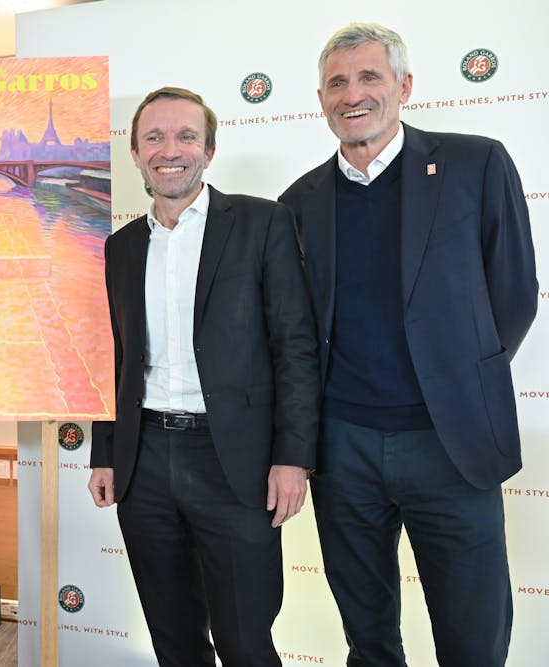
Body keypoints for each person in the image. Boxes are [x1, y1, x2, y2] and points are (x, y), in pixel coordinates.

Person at [279, 23, 538, 666]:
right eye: (337, 83)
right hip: (343, 452)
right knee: (368, 639)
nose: (353, 94)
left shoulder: (476, 164)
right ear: (320, 99)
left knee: (473, 637)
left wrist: (455, 382)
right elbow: (296, 332)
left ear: (404, 86)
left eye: (369, 77)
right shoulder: (298, 202)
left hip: (452, 445)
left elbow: (514, 297)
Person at [88, 87, 320, 666]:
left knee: (245, 638)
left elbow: (295, 346)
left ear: (209, 150)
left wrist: (294, 456)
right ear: (136, 154)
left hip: (234, 462)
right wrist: (105, 453)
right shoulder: (120, 248)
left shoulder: (263, 223)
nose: (172, 150)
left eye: (187, 136)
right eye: (155, 138)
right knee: (173, 637)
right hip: (144, 462)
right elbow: (112, 356)